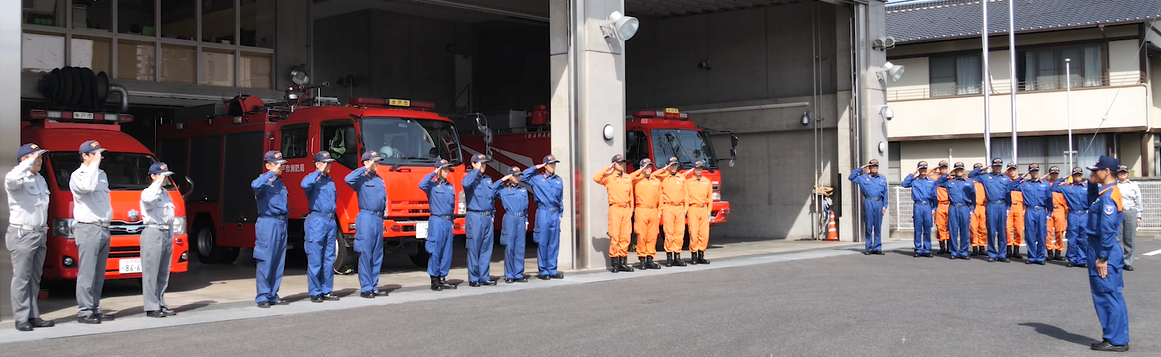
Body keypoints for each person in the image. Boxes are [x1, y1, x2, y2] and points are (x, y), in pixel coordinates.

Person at [1083, 155, 1130, 352]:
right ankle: (1115, 336)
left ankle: (1116, 339)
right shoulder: (1105, 193)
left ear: (1107, 172)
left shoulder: (1110, 197)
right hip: (1099, 247)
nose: (1093, 173)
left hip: (1103, 249)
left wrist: (1102, 257)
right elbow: (1092, 201)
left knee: (1107, 294)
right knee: (1108, 293)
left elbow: (1108, 230)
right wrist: (1091, 182)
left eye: (1096, 170)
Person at [6, 143, 55, 331]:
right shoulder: (16, 177)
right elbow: (11, 180)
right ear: (24, 160)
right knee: (22, 278)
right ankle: (21, 317)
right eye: (36, 157)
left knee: (35, 277)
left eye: (41, 157)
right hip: (23, 233)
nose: (40, 160)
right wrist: (27, 163)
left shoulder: (39, 179)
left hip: (39, 233)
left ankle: (33, 314)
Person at [70, 140, 115, 323]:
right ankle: (85, 310)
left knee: (98, 272)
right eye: (95, 154)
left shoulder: (101, 174)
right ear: (85, 156)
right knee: (87, 272)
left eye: (100, 154)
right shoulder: (79, 175)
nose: (100, 157)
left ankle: (95, 306)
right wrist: (94, 166)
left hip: (103, 227)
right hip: (88, 227)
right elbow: (87, 188)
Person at [345, 151, 390, 298]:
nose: (376, 164)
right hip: (366, 217)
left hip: (378, 218)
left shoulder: (379, 179)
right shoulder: (361, 178)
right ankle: (366, 288)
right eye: (374, 161)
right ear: (366, 162)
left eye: (377, 161)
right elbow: (347, 179)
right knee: (366, 252)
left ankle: (373, 285)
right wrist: (364, 168)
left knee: (377, 254)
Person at [251, 151, 290, 308]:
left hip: (281, 224)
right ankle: (262, 296)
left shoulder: (280, 183)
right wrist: (270, 173)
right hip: (268, 223)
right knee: (265, 259)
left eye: (281, 164)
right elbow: (254, 185)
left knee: (278, 260)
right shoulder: (264, 182)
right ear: (268, 165)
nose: (281, 167)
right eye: (277, 164)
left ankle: (273, 294)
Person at [140, 162, 178, 317]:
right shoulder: (148, 192)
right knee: (151, 271)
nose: (165, 179)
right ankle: (151, 306)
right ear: (153, 176)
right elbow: (149, 200)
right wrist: (156, 183)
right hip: (153, 232)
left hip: (166, 231)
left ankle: (160, 302)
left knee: (163, 271)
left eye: (166, 176)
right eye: (162, 176)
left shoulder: (164, 193)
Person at [302, 152, 341, 302]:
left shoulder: (330, 180)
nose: (328, 165)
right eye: (325, 163)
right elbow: (304, 184)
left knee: (328, 258)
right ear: (317, 164)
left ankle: (327, 290)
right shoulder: (314, 179)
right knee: (315, 258)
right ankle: (315, 291)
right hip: (317, 220)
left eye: (329, 163)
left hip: (330, 221)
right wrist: (318, 171)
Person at [523, 155, 564, 280]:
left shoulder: (559, 180)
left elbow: (560, 198)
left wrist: (561, 213)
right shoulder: (537, 178)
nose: (553, 166)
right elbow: (523, 176)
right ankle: (543, 271)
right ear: (545, 165)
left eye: (554, 164)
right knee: (543, 242)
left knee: (554, 243)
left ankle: (552, 270)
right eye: (551, 164)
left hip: (555, 213)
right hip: (544, 213)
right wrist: (537, 166)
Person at [420, 159, 459, 290]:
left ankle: (442, 277)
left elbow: (451, 205)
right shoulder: (431, 184)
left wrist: (452, 221)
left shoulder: (450, 186)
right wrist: (433, 173)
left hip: (448, 221)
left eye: (448, 169)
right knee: (435, 250)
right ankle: (434, 280)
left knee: (447, 252)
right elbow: (421, 184)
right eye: (445, 169)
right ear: (438, 170)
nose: (447, 172)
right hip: (436, 221)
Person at [593, 154, 635, 272]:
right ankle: (615, 264)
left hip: (626, 210)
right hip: (615, 208)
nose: (621, 165)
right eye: (618, 163)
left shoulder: (627, 178)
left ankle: (623, 262)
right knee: (615, 236)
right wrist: (608, 168)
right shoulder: (609, 177)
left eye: (622, 163)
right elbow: (596, 178)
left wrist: (631, 210)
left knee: (625, 236)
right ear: (614, 164)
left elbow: (630, 195)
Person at [970, 158, 1017, 262]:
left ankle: (1002, 254)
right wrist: (982, 168)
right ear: (992, 166)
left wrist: (1008, 207)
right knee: (991, 230)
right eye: (995, 166)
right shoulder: (985, 177)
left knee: (1002, 231)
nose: (997, 168)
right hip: (991, 205)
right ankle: (992, 253)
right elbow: (971, 176)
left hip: (1002, 205)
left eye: (999, 166)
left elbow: (1008, 194)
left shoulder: (1006, 178)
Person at [462, 154, 499, 286]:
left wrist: (492, 214)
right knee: (474, 248)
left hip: (487, 216)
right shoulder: (470, 178)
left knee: (486, 248)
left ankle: (484, 276)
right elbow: (465, 184)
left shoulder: (488, 179)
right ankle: (473, 277)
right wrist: (476, 170)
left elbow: (491, 198)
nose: (483, 166)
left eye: (484, 164)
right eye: (480, 163)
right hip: (475, 216)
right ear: (473, 164)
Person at [651, 157, 689, 266]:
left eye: (675, 165)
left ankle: (677, 256)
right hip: (668, 207)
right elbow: (653, 175)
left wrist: (686, 208)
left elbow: (686, 194)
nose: (673, 167)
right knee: (669, 232)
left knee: (679, 232)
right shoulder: (663, 177)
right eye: (671, 165)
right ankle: (669, 257)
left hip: (680, 207)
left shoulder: (681, 177)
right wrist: (664, 169)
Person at [1012, 164, 1051, 265]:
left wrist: (1049, 213)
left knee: (1041, 234)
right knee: (1029, 234)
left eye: (1036, 171)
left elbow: (1049, 199)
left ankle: (1040, 257)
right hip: (1030, 210)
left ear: (1039, 172)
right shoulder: (1024, 184)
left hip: (1041, 210)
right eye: (1032, 171)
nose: (1035, 173)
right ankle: (1032, 256)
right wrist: (1021, 177)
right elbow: (1011, 186)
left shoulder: (1045, 184)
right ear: (1029, 172)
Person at [496, 166, 529, 283]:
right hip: (510, 218)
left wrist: (526, 220)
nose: (518, 177)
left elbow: (525, 208)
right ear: (510, 177)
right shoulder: (503, 189)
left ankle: (518, 273)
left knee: (520, 247)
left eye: (518, 175)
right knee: (510, 246)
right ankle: (509, 274)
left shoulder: (523, 190)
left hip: (520, 218)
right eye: (515, 175)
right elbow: (490, 189)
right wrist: (502, 179)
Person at [849, 159, 888, 255]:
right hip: (869, 201)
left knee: (878, 226)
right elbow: (851, 177)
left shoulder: (882, 178)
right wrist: (861, 168)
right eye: (872, 166)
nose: (874, 168)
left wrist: (885, 205)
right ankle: (869, 247)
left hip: (879, 202)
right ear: (869, 167)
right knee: (869, 226)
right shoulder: (863, 178)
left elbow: (885, 193)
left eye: (876, 166)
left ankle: (877, 247)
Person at [935, 162, 974, 259]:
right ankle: (954, 251)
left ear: (964, 171)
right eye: (957, 170)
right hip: (953, 207)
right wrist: (948, 174)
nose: (959, 171)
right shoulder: (949, 181)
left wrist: (972, 209)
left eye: (961, 169)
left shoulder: (969, 182)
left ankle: (964, 252)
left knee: (964, 230)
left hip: (965, 207)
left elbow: (974, 196)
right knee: (953, 230)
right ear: (954, 171)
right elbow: (937, 182)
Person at [630, 158, 663, 269]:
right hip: (641, 209)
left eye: (649, 167)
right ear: (641, 168)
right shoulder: (637, 180)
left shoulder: (656, 181)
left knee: (652, 236)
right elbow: (629, 178)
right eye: (645, 167)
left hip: (653, 210)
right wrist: (640, 171)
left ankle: (650, 258)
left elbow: (660, 197)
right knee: (641, 235)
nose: (648, 169)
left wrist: (660, 211)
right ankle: (642, 259)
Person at [1053, 167, 1090, 267]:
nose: (1077, 177)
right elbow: (1054, 187)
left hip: (1084, 214)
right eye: (1075, 175)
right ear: (1072, 176)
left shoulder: (1087, 187)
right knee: (1072, 238)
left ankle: (1082, 259)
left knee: (1083, 238)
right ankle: (1072, 259)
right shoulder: (1067, 187)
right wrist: (1063, 178)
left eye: (1079, 175)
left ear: (1082, 176)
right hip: (1073, 214)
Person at [901, 161, 936, 257]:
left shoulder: (932, 181)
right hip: (918, 205)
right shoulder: (914, 180)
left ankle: (927, 249)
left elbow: (935, 196)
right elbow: (904, 184)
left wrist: (934, 208)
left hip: (928, 205)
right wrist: (913, 173)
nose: (923, 170)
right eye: (921, 169)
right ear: (918, 170)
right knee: (918, 228)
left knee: (927, 228)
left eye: (924, 168)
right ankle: (918, 249)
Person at [685, 161, 714, 264]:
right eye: (697, 168)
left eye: (700, 168)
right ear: (693, 169)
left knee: (704, 233)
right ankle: (694, 255)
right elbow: (686, 197)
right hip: (693, 209)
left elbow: (710, 197)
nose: (699, 170)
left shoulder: (707, 182)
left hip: (704, 209)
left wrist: (709, 211)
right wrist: (686, 210)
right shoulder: (688, 182)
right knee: (693, 232)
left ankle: (701, 255)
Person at [1115, 165, 1141, 271]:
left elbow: (1138, 201)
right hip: (1118, 212)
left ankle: (1128, 262)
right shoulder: (1115, 185)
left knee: (1129, 238)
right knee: (1118, 238)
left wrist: (1139, 216)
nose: (1122, 174)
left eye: (1124, 173)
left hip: (1130, 211)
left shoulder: (1134, 185)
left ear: (1127, 174)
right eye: (1120, 172)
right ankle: (1119, 261)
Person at [1005, 163, 1026, 260]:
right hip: (1008, 206)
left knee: (1018, 228)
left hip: (1019, 206)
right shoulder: (1005, 181)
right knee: (1007, 229)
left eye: (1014, 170)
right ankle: (1008, 249)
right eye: (1010, 170)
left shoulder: (1023, 182)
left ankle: (1016, 250)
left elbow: (1027, 196)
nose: (1012, 172)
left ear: (1017, 170)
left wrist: (1024, 209)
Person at [1046, 166, 1068, 261]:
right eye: (1052, 173)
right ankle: (1050, 251)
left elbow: (1067, 199)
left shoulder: (1063, 185)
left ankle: (1058, 252)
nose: (1054, 175)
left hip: (1060, 209)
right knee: (1047, 232)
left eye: (1056, 173)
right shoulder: (1046, 184)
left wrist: (1066, 212)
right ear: (1049, 174)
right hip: (1048, 210)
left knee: (1060, 231)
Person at [930, 161, 951, 254]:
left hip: (950, 204)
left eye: (945, 168)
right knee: (940, 226)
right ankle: (942, 246)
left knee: (950, 226)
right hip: (940, 204)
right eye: (942, 168)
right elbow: (925, 176)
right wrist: (932, 170)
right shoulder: (935, 178)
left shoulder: (951, 178)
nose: (944, 169)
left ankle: (950, 246)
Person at [970, 163, 988, 256]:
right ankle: (974, 247)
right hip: (974, 207)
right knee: (973, 228)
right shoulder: (971, 181)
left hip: (983, 206)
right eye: (977, 169)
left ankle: (982, 247)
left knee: (983, 228)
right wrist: (979, 169)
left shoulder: (986, 182)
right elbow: (971, 175)